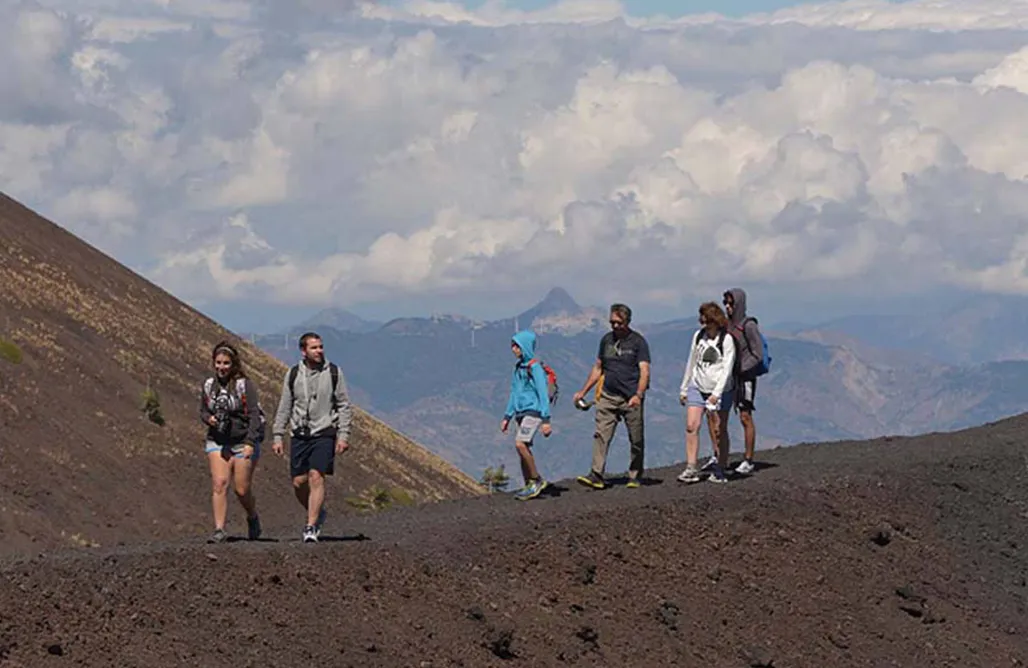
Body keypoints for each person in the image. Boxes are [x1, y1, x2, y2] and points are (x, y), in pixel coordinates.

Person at [271, 332, 353, 543]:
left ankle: (311, 526)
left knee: (316, 475)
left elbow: (344, 405)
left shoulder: (334, 372)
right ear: (303, 351)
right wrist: (278, 434)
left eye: (321, 347)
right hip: (299, 433)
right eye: (314, 348)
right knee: (299, 482)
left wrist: (343, 434)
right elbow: (285, 405)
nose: (319, 351)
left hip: (324, 432)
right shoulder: (293, 374)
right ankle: (316, 511)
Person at [572, 303, 651, 489]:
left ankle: (635, 475)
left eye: (618, 323)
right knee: (601, 434)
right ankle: (596, 474)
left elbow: (645, 371)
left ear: (627, 321)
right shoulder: (606, 340)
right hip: (608, 395)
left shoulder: (638, 342)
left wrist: (638, 395)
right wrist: (583, 392)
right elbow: (598, 367)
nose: (615, 326)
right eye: (612, 322)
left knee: (636, 438)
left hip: (631, 397)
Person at [200, 341, 264, 544]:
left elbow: (254, 414)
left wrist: (250, 442)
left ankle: (252, 516)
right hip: (217, 440)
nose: (221, 367)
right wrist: (208, 419)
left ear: (233, 364)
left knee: (241, 489)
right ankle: (219, 529)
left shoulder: (244, 386)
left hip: (242, 441)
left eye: (226, 363)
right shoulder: (209, 385)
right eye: (218, 362)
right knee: (219, 484)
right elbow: (203, 409)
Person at [677, 302, 736, 484]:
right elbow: (692, 361)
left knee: (719, 429)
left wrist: (716, 393)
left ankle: (721, 466)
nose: (705, 325)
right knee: (691, 426)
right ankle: (691, 467)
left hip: (720, 390)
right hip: (698, 386)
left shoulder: (726, 340)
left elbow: (727, 368)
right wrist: (684, 386)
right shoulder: (698, 337)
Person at [500, 330, 553, 500]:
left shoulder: (534, 367)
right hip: (521, 412)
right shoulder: (518, 368)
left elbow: (543, 393)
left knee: (520, 444)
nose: (513, 349)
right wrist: (507, 416)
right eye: (513, 345)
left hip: (534, 411)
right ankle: (529, 484)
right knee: (523, 448)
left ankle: (536, 480)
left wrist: (546, 419)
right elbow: (514, 393)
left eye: (516, 346)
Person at [724, 288, 762, 474]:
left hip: (745, 378)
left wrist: (741, 368)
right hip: (729, 377)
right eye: (726, 303)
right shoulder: (727, 325)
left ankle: (748, 459)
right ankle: (720, 456)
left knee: (745, 416)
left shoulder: (748, 326)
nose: (728, 307)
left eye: (731, 303)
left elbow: (758, 354)